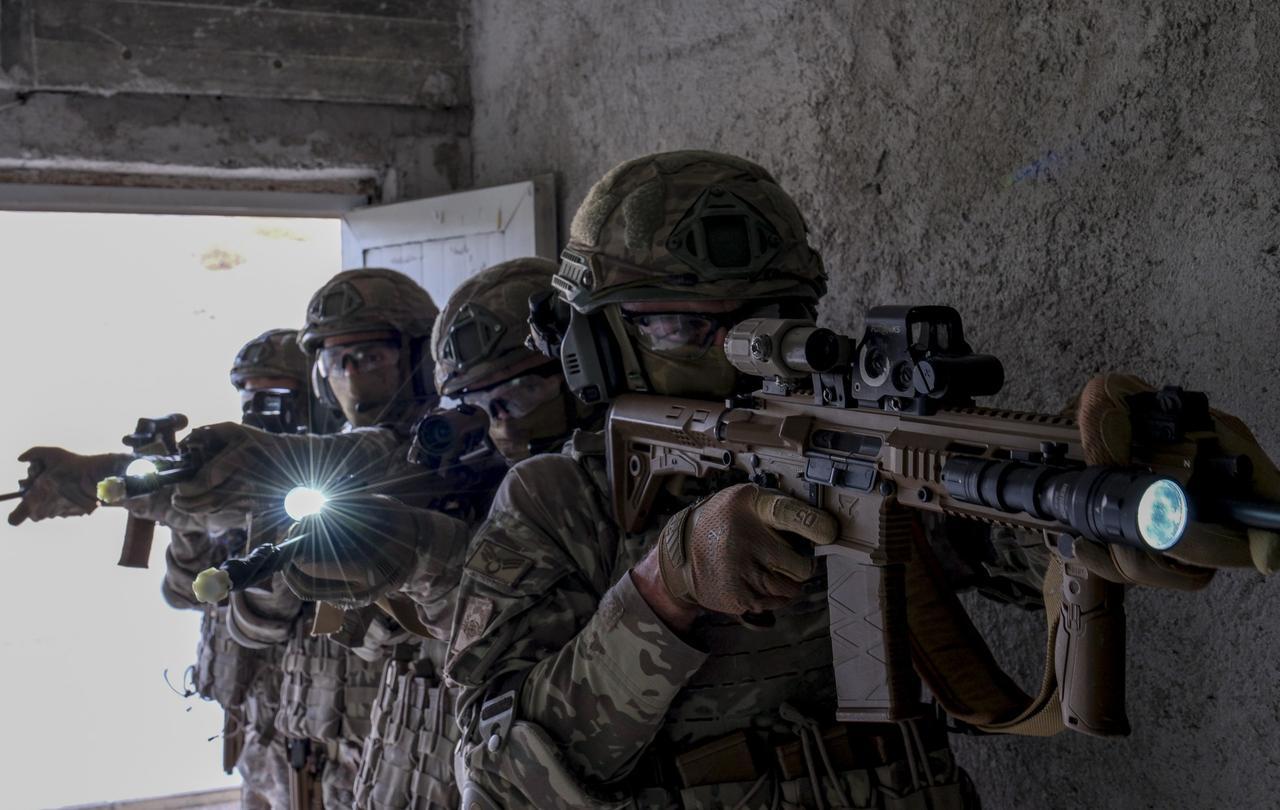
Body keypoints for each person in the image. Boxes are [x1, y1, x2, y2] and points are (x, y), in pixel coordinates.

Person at [442, 150, 1280, 810]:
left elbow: (998, 535)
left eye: (762, 318)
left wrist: (1113, 507)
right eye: (681, 324)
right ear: (592, 341)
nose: (729, 346)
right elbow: (500, 778)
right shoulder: (559, 502)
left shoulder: (850, 445)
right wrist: (669, 585)